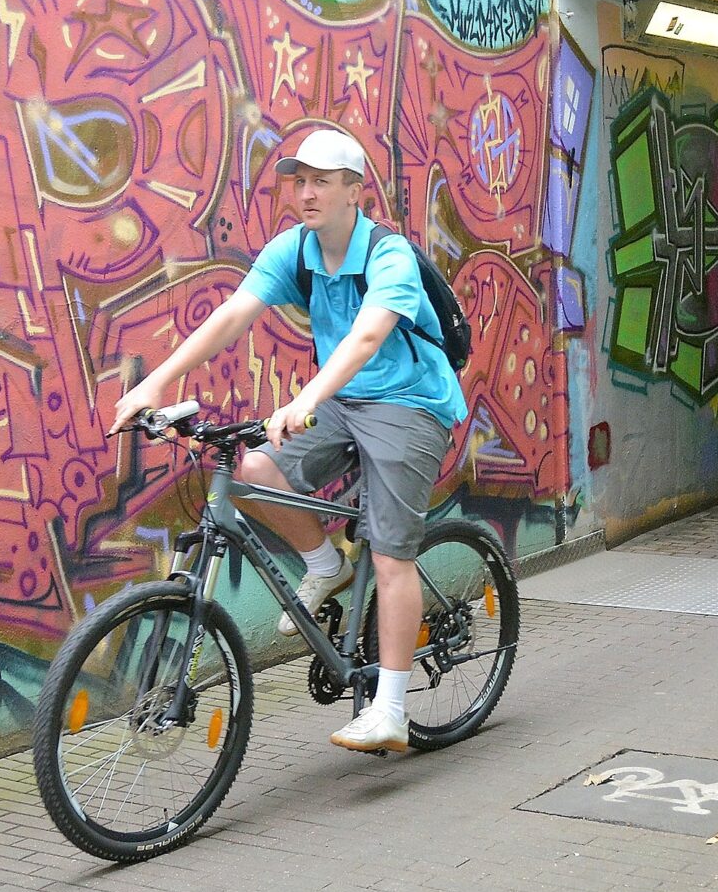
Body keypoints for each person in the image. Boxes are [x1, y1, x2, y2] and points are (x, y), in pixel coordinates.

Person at [110, 127, 466, 755]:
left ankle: (390, 708)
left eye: (321, 181)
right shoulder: (294, 251)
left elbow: (364, 340)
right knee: (248, 473)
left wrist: (304, 400)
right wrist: (156, 385)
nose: (305, 193)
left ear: (355, 191)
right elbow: (231, 317)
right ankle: (325, 563)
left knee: (390, 555)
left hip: (409, 403)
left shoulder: (389, 257)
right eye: (298, 181)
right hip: (340, 401)